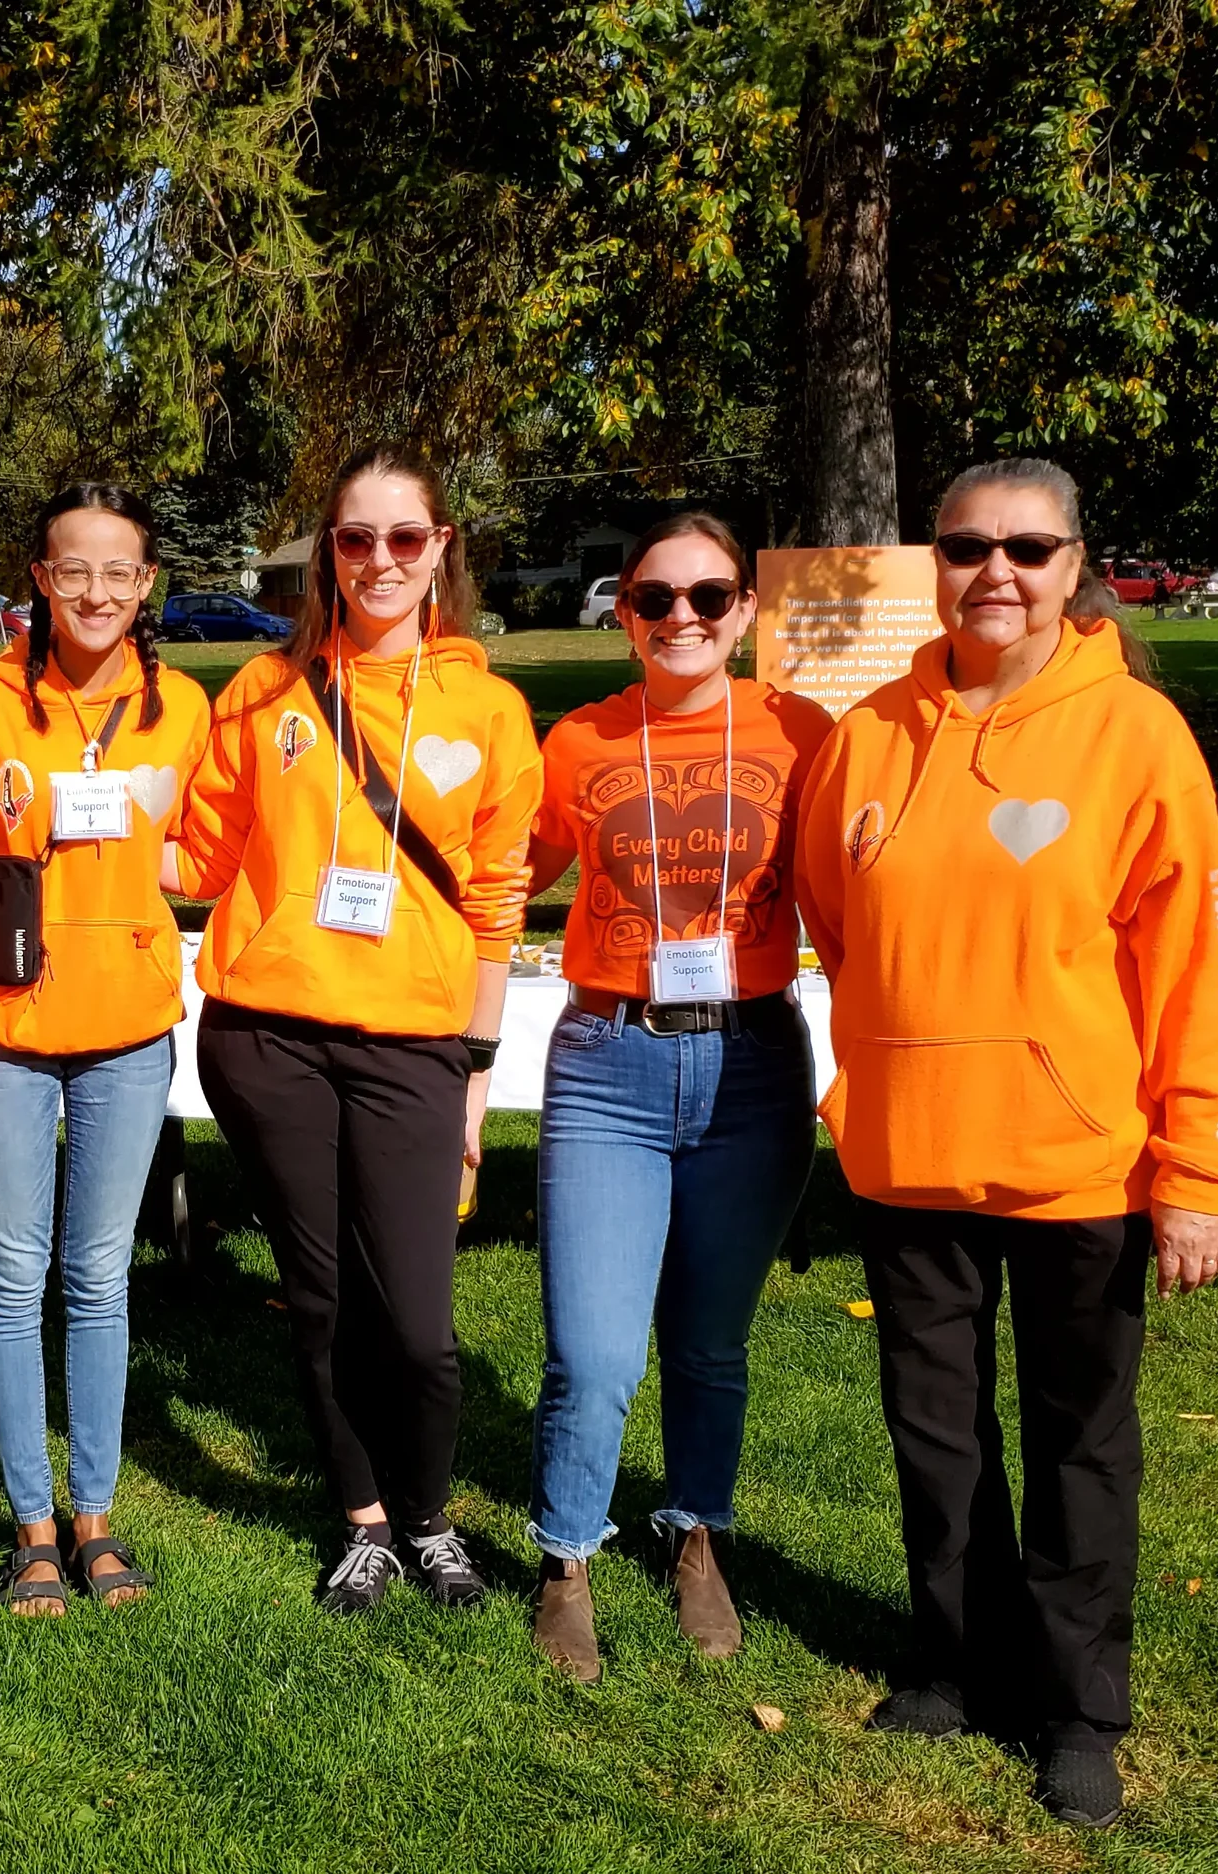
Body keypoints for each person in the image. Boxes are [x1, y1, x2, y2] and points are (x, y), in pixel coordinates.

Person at [795, 457, 1218, 1828]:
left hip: (1082, 1164)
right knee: (935, 1439)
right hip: (907, 1151)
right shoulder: (868, 730)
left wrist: (1198, 1171)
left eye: (1027, 547)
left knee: (1080, 1444)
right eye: (965, 546)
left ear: (1074, 565)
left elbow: (1196, 966)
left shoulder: (1137, 736)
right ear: (932, 562)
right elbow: (837, 915)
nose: (993, 571)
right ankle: (953, 1660)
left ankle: (1078, 1707)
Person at [176, 443, 542, 1613]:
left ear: (440, 549)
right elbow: (197, 852)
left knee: (420, 1321)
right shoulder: (262, 690)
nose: (377, 559)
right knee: (323, 1294)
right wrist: (82, 826)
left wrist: (477, 1068)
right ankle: (365, 1520)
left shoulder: (487, 708)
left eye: (401, 537)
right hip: (266, 1035)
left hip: (413, 1047)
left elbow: (495, 899)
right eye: (353, 538)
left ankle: (431, 1513)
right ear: (327, 553)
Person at [520, 512, 832, 1682]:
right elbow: (501, 868)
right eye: (657, 599)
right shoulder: (582, 738)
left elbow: (859, 884)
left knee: (708, 1342)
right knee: (592, 1352)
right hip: (609, 1058)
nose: (683, 619)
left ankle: (697, 1530)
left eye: (709, 596)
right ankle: (566, 1554)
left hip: (752, 1061)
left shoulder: (802, 733)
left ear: (745, 608)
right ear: (624, 613)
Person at [0, 482, 212, 1616]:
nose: (97, 591)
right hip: (3, 1023)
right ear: (39, 581)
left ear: (145, 585)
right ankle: (31, 1523)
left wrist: (153, 863)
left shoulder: (183, 707)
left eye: (120, 571)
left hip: (127, 1032)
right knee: (12, 1270)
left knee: (99, 1274)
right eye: (74, 569)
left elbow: (211, 849)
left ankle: (94, 1513)